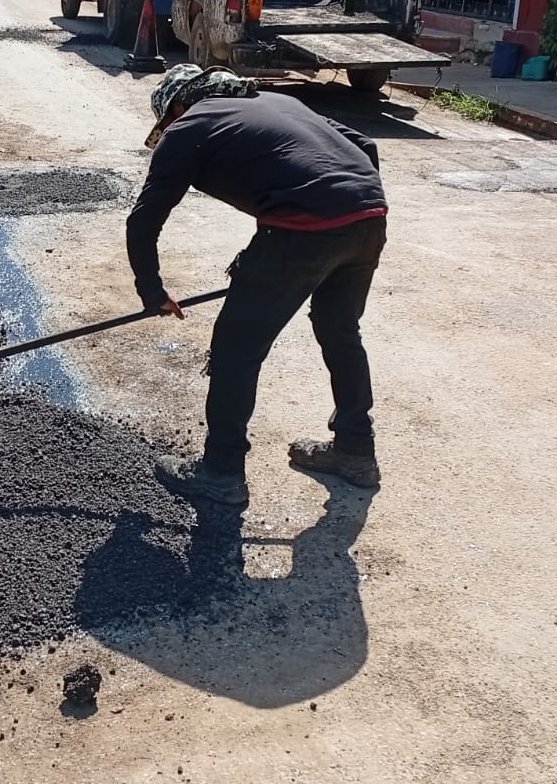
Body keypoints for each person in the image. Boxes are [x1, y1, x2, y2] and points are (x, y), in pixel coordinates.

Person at [126, 64, 388, 506]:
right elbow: (365, 145)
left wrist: (151, 292)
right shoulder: (280, 102)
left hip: (301, 230)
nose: (168, 128)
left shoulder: (189, 125)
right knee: (339, 330)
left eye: (167, 120)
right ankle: (355, 449)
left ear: (179, 105)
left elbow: (144, 219)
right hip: (368, 215)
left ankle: (221, 472)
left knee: (235, 348)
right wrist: (345, 211)